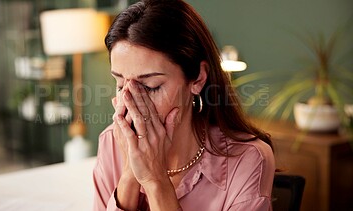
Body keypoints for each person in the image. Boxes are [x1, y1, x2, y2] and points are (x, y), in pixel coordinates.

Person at [93, 0, 275, 210]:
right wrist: (129, 177)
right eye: (120, 84)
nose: (131, 103)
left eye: (151, 87)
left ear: (197, 78)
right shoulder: (111, 143)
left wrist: (155, 180)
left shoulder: (248, 159)